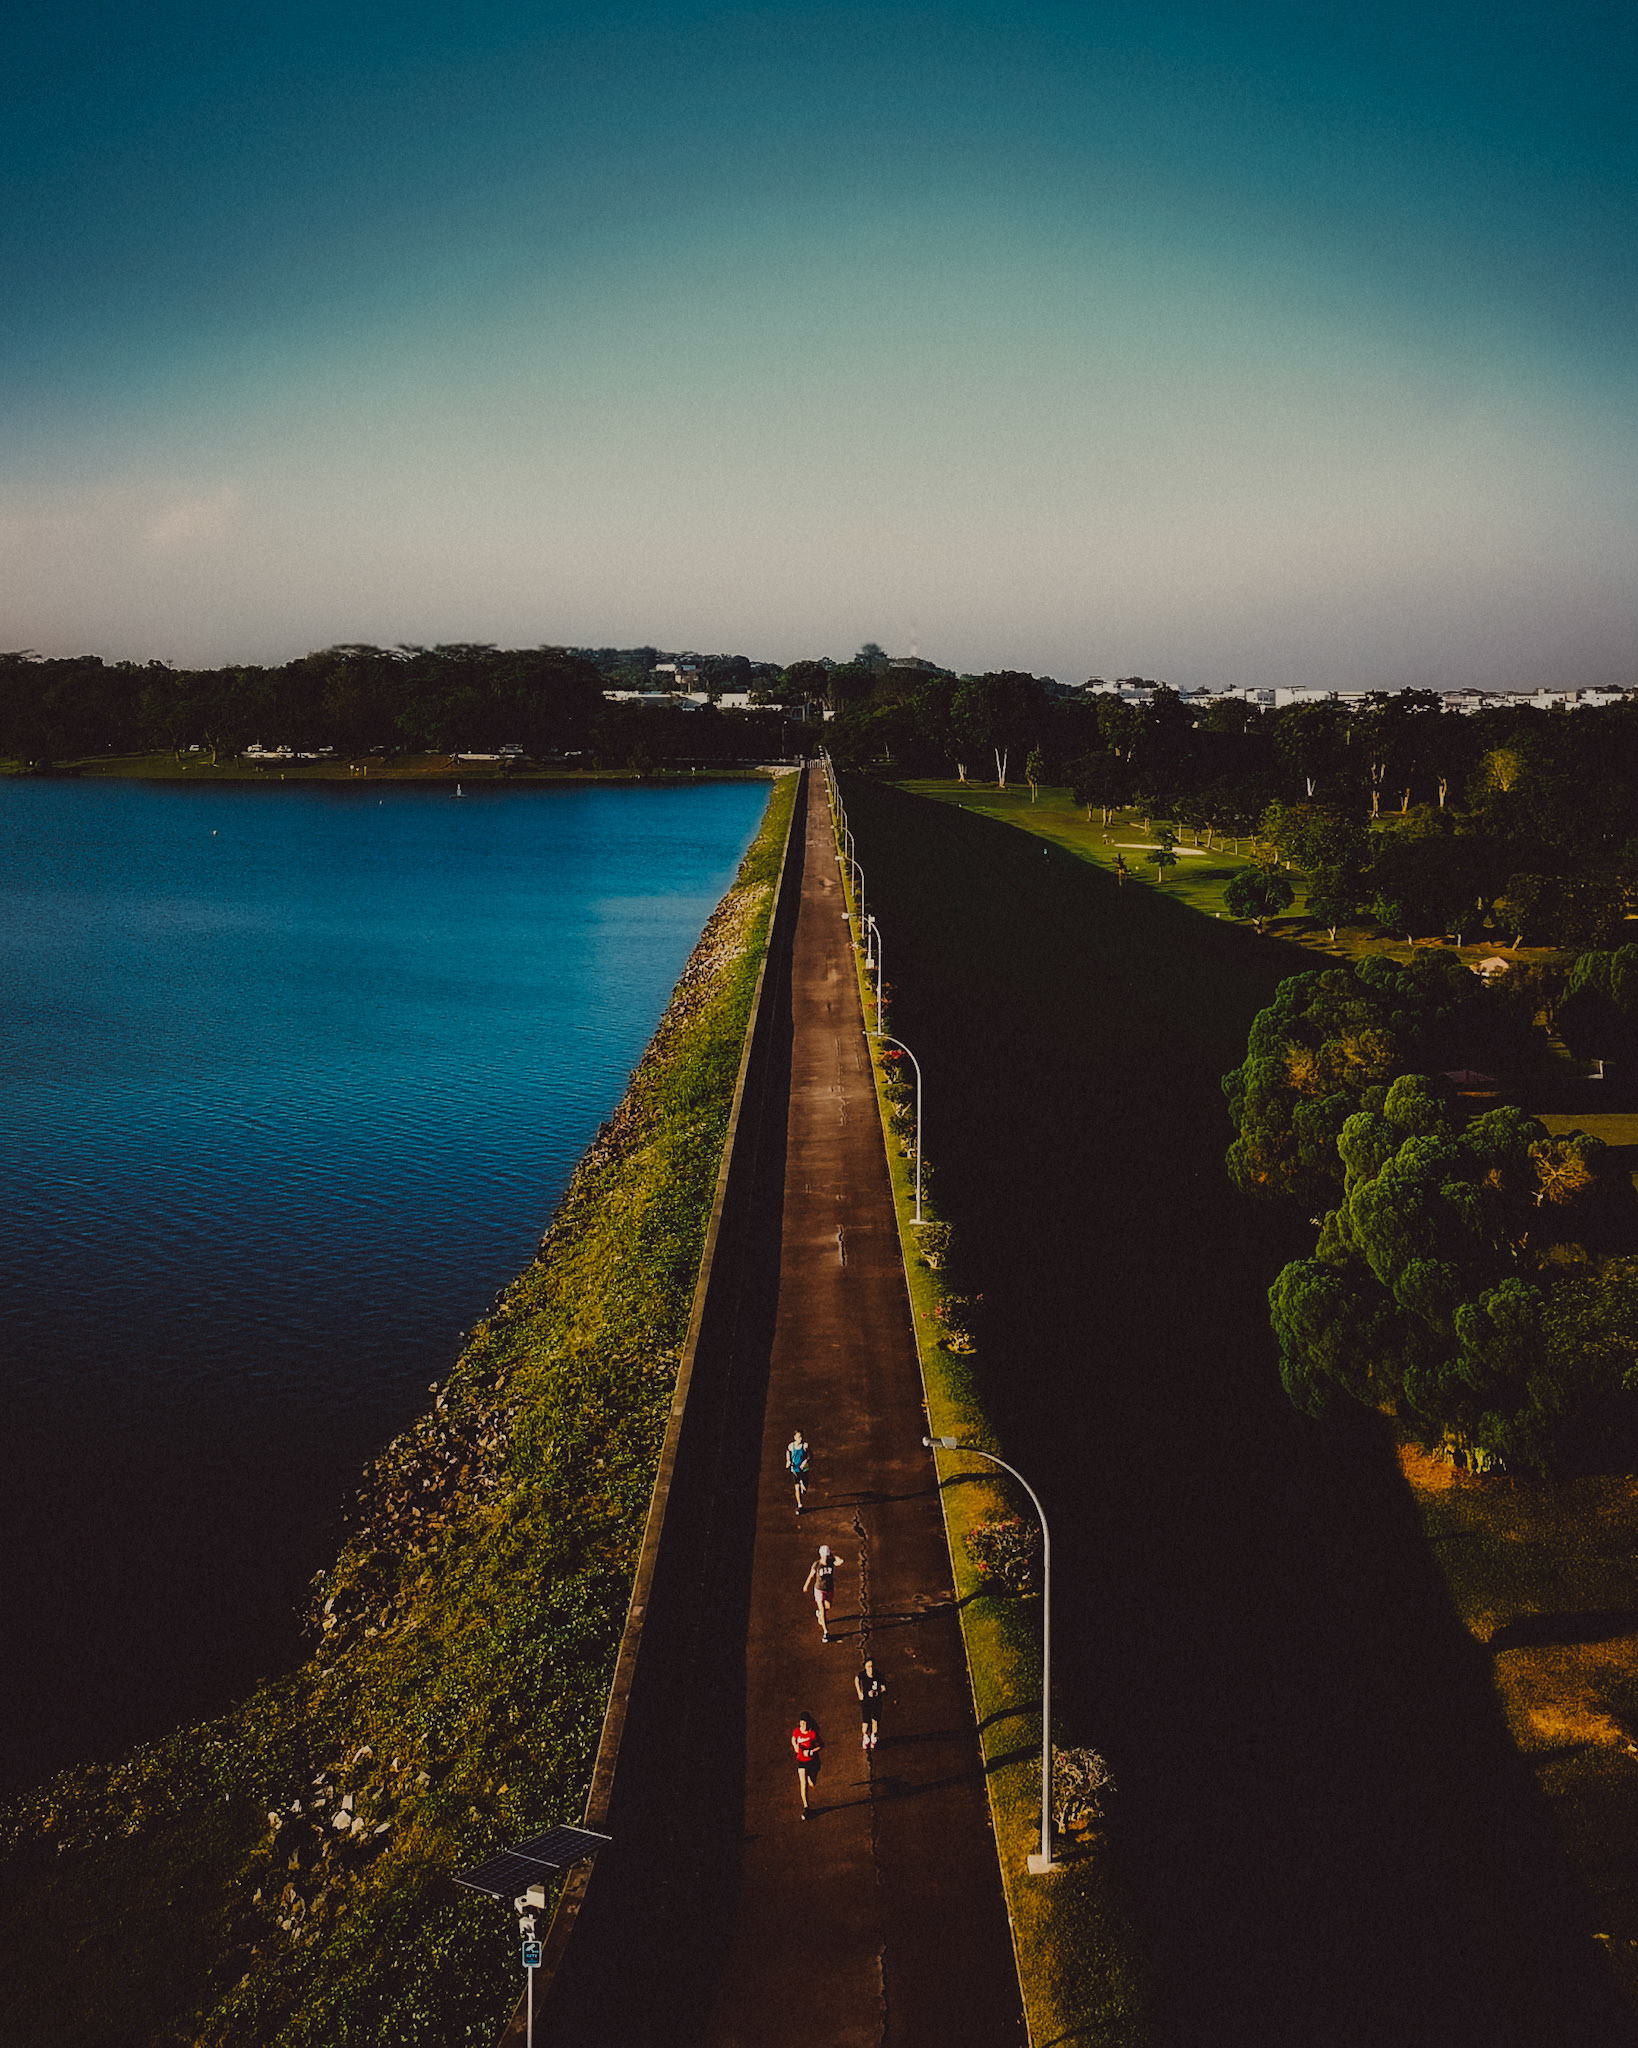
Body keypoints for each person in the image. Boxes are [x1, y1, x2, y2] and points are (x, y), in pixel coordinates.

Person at [803, 1544, 843, 1641]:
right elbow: (811, 1576)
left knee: (828, 1607)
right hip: (819, 1589)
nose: (825, 1558)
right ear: (820, 1555)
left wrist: (832, 1556)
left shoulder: (831, 1561)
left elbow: (841, 1561)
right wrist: (806, 1585)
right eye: (824, 1555)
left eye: (826, 1555)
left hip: (829, 1589)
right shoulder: (816, 1565)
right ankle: (826, 1633)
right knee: (822, 1609)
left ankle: (820, 1614)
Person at [791, 1714, 823, 1816]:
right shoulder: (797, 1731)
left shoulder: (813, 1734)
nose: (803, 1725)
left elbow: (821, 1745)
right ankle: (806, 1807)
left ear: (809, 1723)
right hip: (801, 1761)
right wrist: (795, 1745)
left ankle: (810, 1776)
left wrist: (811, 1751)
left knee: (812, 1783)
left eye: (805, 1723)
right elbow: (793, 1738)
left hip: (813, 1761)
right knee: (803, 1783)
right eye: (801, 1723)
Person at [855, 1657, 886, 1749]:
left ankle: (873, 1735)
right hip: (866, 1702)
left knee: (875, 1721)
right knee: (866, 1723)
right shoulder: (863, 1675)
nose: (870, 1669)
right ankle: (865, 1737)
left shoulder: (878, 1675)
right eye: (868, 1667)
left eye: (872, 1666)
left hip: (877, 1702)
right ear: (865, 1667)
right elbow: (856, 1679)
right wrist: (859, 1692)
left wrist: (877, 1692)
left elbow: (884, 1688)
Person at [786, 1430, 811, 1515]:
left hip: (804, 1468)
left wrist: (805, 1462)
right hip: (795, 1469)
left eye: (801, 1437)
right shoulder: (791, 1446)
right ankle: (800, 1505)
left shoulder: (805, 1445)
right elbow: (788, 1452)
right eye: (798, 1437)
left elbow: (810, 1455)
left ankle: (803, 1485)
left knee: (805, 1487)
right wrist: (788, 1461)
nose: (799, 1439)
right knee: (797, 1487)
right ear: (794, 1437)